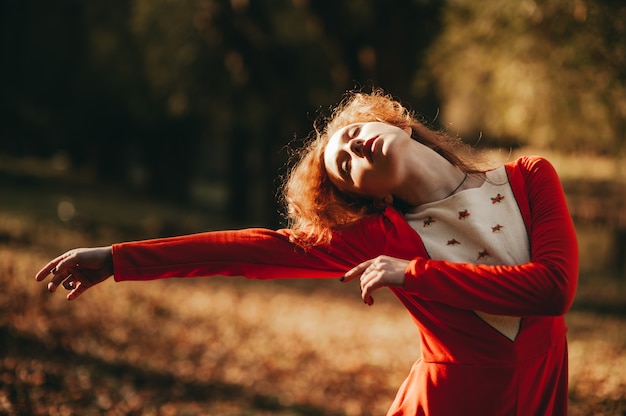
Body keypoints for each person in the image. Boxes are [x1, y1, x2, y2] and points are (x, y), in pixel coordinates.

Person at [35, 89, 579, 415]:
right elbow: (252, 251)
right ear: (371, 197)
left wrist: (414, 274)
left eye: (350, 132)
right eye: (344, 166)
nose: (349, 146)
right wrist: (117, 257)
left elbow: (553, 289)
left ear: (393, 122)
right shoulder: (380, 238)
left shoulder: (530, 179)